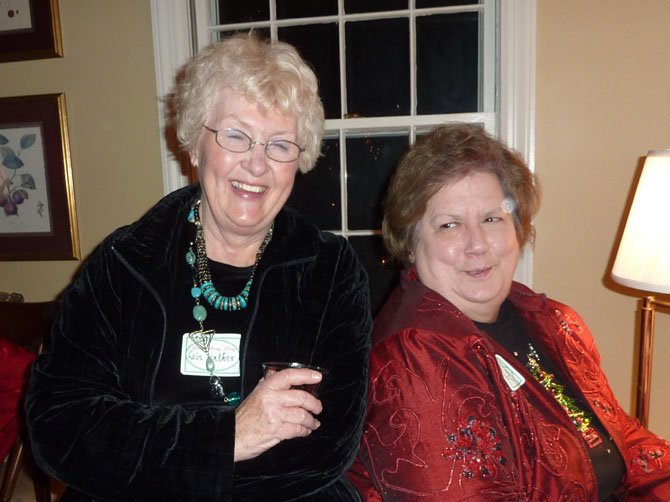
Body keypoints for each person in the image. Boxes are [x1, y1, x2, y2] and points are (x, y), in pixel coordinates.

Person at [25, 33, 372, 501]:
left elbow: (327, 446)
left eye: (279, 145)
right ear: (193, 144)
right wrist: (228, 438)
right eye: (235, 135)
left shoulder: (329, 272)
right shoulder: (125, 264)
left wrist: (156, 462)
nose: (256, 165)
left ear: (299, 160)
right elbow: (59, 425)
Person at [348, 123, 670, 501]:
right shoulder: (411, 362)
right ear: (411, 242)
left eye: (491, 219)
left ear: (517, 229)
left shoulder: (553, 320)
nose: (478, 244)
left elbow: (620, 436)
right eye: (449, 225)